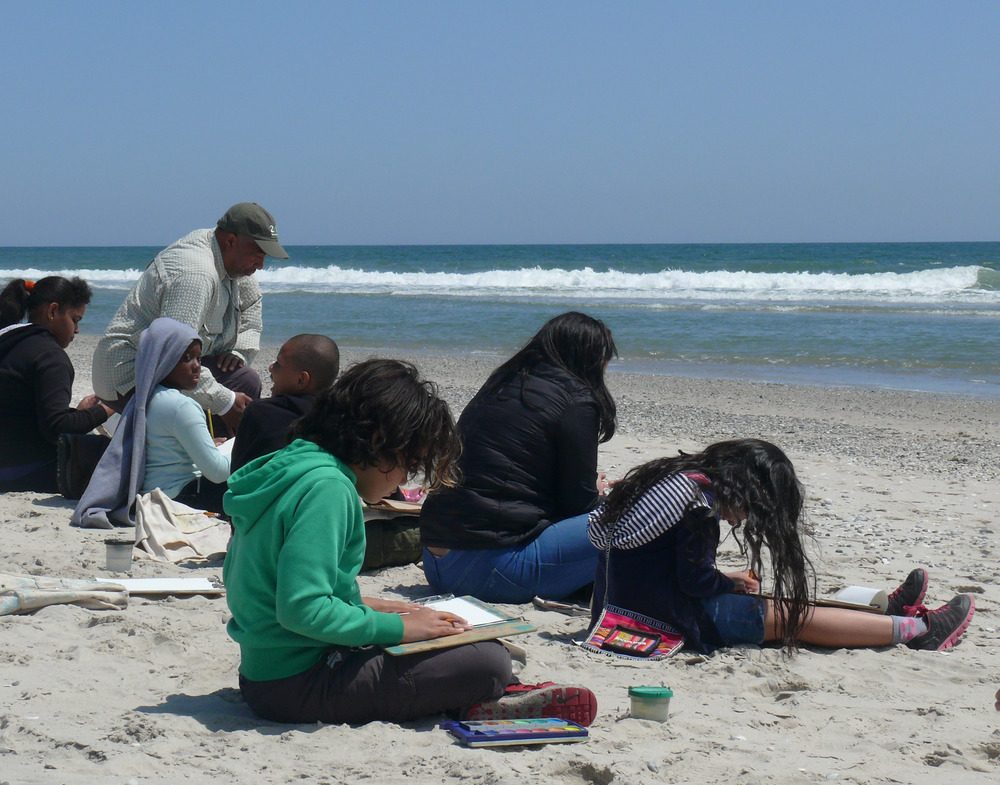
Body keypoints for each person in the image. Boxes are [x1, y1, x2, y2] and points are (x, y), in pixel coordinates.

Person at [223, 359, 597, 725]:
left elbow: (274, 585)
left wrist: (367, 605)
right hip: (300, 683)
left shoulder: (295, 467)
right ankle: (486, 698)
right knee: (490, 661)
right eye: (409, 463)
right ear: (378, 442)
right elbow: (302, 611)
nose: (404, 479)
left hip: (267, 672)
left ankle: (486, 694)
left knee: (463, 645)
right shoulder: (328, 489)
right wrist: (403, 630)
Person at [586, 439, 975, 654]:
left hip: (620, 601)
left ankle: (886, 610)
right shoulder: (699, 510)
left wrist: (724, 578)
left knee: (782, 606)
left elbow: (662, 561)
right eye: (752, 510)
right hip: (662, 615)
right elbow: (694, 582)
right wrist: (727, 583)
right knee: (795, 616)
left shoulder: (677, 479)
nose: (743, 519)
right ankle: (918, 630)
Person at [420, 311, 617, 604]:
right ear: (593, 360)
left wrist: (587, 486)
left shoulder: (503, 382)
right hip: (487, 568)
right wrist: (595, 492)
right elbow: (579, 503)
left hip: (436, 564)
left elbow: (508, 476)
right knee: (636, 518)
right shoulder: (576, 399)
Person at [92, 202, 289, 435]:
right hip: (129, 378)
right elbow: (173, 357)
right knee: (234, 398)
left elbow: (251, 306)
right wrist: (224, 402)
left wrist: (239, 353)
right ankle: (189, 449)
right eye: (258, 254)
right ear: (231, 241)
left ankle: (203, 445)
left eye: (265, 256)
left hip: (164, 364)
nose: (261, 265)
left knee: (245, 379)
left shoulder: (229, 256)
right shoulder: (196, 275)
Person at [72, 318, 231, 527]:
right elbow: (217, 472)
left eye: (199, 358)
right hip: (183, 498)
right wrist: (242, 450)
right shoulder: (181, 406)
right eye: (186, 358)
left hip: (150, 498)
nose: (196, 366)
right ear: (164, 359)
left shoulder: (143, 399)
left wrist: (207, 445)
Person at [0, 277, 112, 494]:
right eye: (75, 320)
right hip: (20, 472)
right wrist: (107, 409)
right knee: (107, 450)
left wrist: (77, 414)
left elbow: (23, 412)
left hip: (6, 460)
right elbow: (56, 429)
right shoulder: (50, 356)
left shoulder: (10, 341)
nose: (77, 330)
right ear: (52, 311)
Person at [230, 334, 340, 473]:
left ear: (301, 380)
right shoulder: (340, 418)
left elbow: (238, 474)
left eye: (278, 364)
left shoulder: (260, 412)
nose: (271, 367)